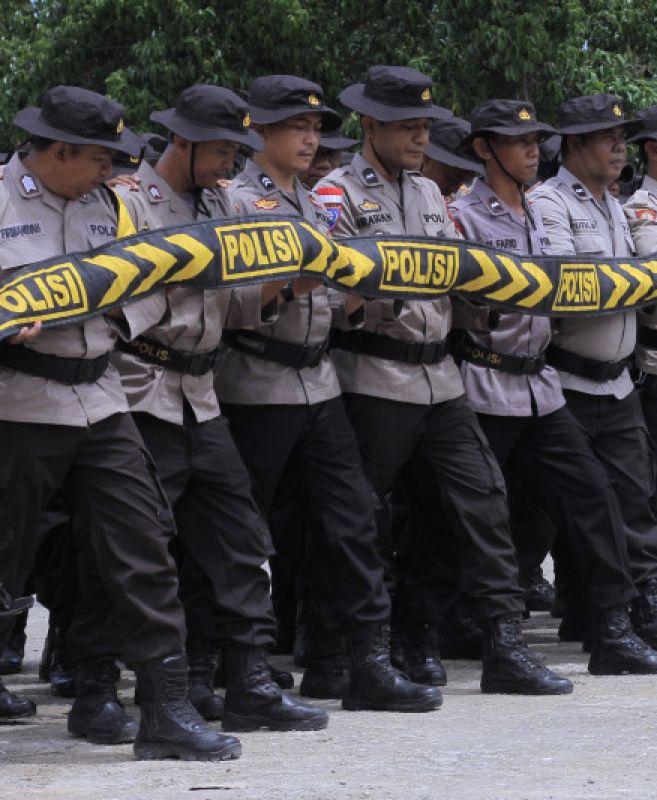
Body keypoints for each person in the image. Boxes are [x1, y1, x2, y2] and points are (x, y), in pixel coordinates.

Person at [0, 85, 240, 760]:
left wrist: (108, 319)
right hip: (18, 403)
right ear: (60, 148)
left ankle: (165, 708)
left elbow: (145, 287)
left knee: (144, 542)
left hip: (104, 399)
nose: (114, 171)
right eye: (101, 158)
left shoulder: (110, 205)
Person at [319, 65, 573, 694]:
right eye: (407, 126)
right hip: (373, 377)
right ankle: (345, 654)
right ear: (369, 124)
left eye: (426, 126)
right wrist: (378, 283)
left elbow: (463, 280)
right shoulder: (335, 195)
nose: (420, 138)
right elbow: (327, 302)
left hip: (442, 376)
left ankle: (503, 647)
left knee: (483, 502)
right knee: (360, 522)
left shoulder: (432, 196)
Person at [109, 84, 330, 736]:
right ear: (184, 138)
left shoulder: (221, 204)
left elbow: (237, 308)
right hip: (142, 391)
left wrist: (288, 284)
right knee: (139, 554)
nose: (233, 161)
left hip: (203, 398)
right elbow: (122, 306)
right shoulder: (128, 204)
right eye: (225, 148)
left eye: (239, 148)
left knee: (241, 542)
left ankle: (251, 683)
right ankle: (116, 691)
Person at [219, 74, 443, 713]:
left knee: (354, 520)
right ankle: (236, 665)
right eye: (297, 127)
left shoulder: (317, 206)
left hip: (319, 382)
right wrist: (292, 283)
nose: (310, 137)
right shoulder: (237, 201)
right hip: (256, 382)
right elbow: (234, 309)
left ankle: (364, 662)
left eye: (316, 128)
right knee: (242, 532)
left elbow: (341, 305)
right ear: (259, 131)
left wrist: (368, 287)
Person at [450, 98, 657, 673]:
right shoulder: (469, 214)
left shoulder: (536, 207)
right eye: (518, 141)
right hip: (485, 381)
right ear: (484, 149)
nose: (533, 151)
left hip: (541, 385)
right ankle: (455, 633)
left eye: (536, 141)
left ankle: (612, 631)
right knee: (479, 519)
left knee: (593, 499)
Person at [528, 94, 657, 661]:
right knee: (551, 515)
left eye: (621, 138)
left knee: (635, 503)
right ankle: (570, 621)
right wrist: (636, 277)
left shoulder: (615, 204)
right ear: (574, 143)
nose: (617, 148)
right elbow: (568, 287)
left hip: (619, 383)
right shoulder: (548, 201)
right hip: (567, 382)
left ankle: (643, 615)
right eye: (607, 138)